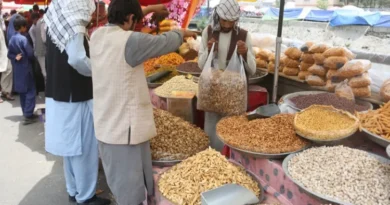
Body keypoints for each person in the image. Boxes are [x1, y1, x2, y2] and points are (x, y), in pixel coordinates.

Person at [90, 0, 196, 204]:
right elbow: (164, 42)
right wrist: (181, 33)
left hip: (106, 123)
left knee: (121, 184)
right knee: (130, 190)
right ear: (130, 19)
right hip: (124, 130)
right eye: (135, 21)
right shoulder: (128, 41)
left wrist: (150, 9)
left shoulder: (97, 36)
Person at [44, 0, 110, 204]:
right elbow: (77, 59)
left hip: (61, 95)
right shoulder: (74, 27)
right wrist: (101, 73)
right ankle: (86, 196)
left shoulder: (57, 25)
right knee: (83, 150)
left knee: (70, 150)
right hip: (76, 97)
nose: (92, 15)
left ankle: (74, 190)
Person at [198, 0, 256, 151]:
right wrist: (209, 51)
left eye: (231, 21)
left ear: (236, 19)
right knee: (211, 127)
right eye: (224, 20)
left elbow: (253, 69)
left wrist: (245, 54)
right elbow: (200, 64)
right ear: (218, 16)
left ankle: (230, 159)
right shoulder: (208, 32)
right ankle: (211, 156)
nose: (227, 25)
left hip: (233, 93)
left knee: (231, 128)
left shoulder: (244, 35)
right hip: (212, 91)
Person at [7, 16, 37, 124]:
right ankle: (28, 115)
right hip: (26, 68)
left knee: (23, 93)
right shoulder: (23, 39)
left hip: (18, 69)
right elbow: (30, 54)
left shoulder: (11, 39)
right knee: (30, 91)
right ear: (22, 27)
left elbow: (9, 54)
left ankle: (26, 112)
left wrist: (15, 57)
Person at [29, 12, 46, 79]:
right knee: (44, 70)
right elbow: (43, 39)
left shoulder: (37, 25)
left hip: (38, 50)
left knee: (43, 70)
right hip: (41, 51)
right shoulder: (40, 24)